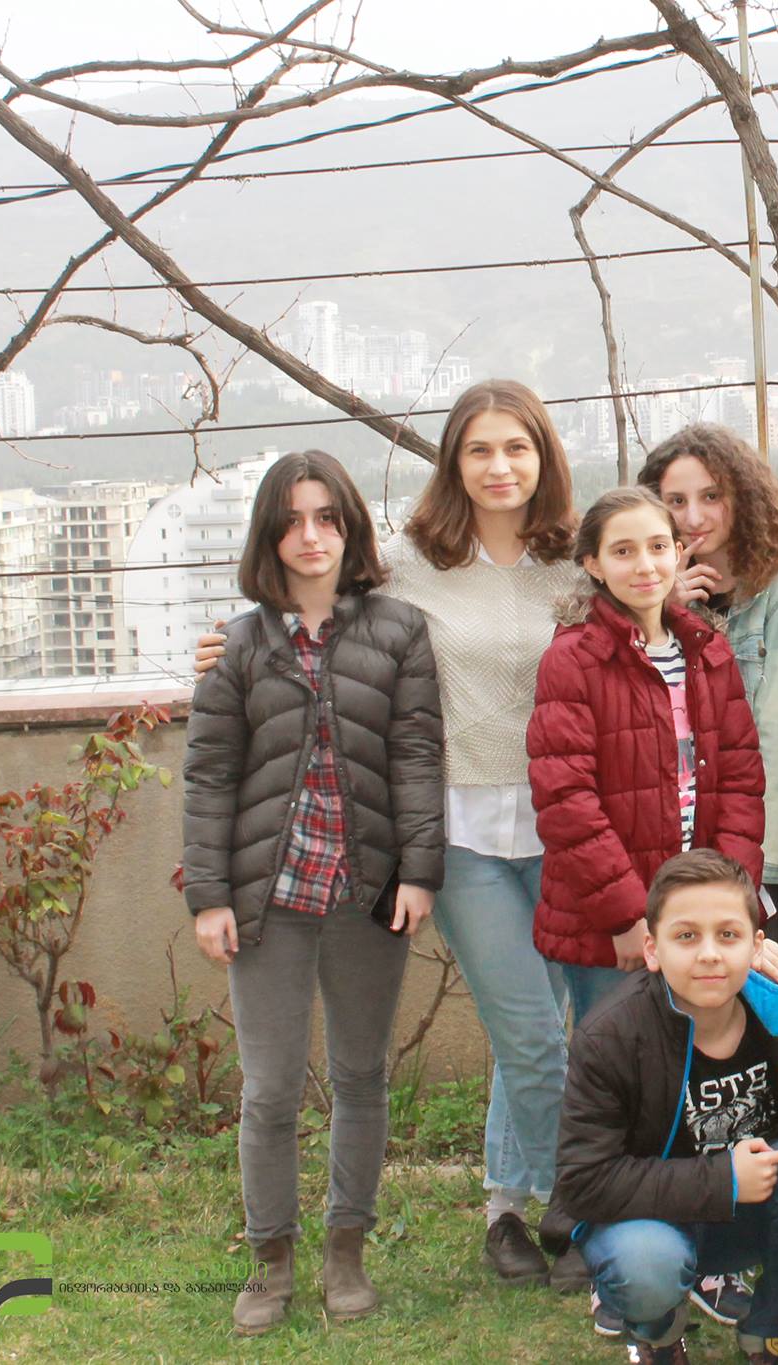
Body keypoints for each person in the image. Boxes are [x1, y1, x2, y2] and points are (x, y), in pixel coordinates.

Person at [192, 380, 588, 1285]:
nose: (499, 466)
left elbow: (645, 612)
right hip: (459, 830)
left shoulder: (576, 564)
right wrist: (220, 648)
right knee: (532, 1032)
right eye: (479, 449)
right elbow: (305, 607)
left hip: (562, 824)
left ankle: (505, 1209)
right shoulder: (408, 564)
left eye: (516, 448)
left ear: (544, 457)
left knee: (530, 1031)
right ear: (452, 462)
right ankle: (581, 1212)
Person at [181, 450, 444, 1335]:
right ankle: (270, 1259)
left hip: (367, 893)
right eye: (292, 520)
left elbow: (416, 756)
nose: (311, 536)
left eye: (327, 516)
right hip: (270, 899)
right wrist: (210, 894)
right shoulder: (238, 644)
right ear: (269, 534)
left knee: (362, 1077)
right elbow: (210, 776)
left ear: (350, 527)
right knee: (269, 1090)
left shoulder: (400, 631)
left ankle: (346, 1250)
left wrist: (420, 870)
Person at [552, 851, 778, 1365]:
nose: (710, 954)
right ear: (652, 949)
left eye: (728, 935)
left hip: (746, 1215)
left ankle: (772, 1329)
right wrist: (723, 1179)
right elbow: (583, 1181)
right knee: (647, 1263)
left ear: (756, 946)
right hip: (644, 1224)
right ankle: (658, 1333)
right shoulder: (610, 1037)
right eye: (687, 936)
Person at [529, 485, 766, 991]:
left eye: (658, 547)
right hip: (614, 923)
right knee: (620, 1037)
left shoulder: (709, 650)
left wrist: (730, 899)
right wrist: (627, 917)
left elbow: (742, 784)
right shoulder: (573, 659)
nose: (644, 566)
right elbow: (566, 802)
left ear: (677, 553)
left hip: (701, 911)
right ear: (593, 564)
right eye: (623, 551)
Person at [640, 425, 778, 951]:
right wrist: (661, 611)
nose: (693, 517)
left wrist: (757, 868)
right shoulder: (640, 601)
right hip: (659, 850)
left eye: (711, 496)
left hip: (754, 854)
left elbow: (775, 740)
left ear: (743, 498)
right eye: (676, 501)